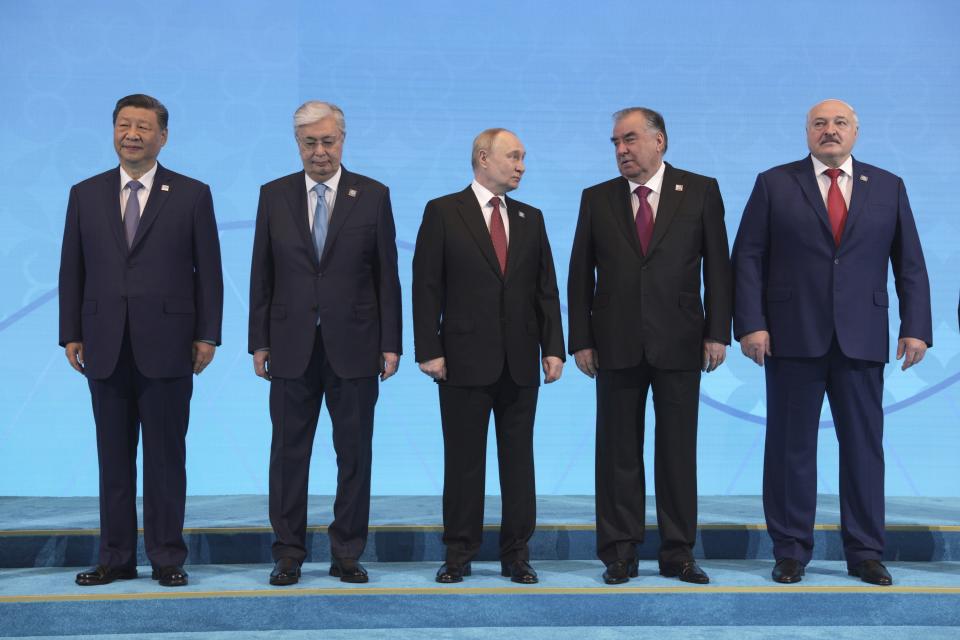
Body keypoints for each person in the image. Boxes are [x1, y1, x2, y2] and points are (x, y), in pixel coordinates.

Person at [732, 99, 932, 586]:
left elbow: (910, 264)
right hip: (791, 336)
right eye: (819, 123)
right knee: (789, 449)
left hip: (862, 338)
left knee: (864, 448)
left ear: (856, 132)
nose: (829, 130)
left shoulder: (888, 186)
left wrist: (916, 327)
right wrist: (750, 324)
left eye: (839, 123)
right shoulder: (774, 183)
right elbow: (748, 258)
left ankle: (864, 551)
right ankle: (790, 551)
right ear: (806, 132)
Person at [59, 94, 223, 588]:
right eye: (124, 125)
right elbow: (73, 269)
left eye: (143, 127)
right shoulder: (84, 193)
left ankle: (167, 556)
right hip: (103, 342)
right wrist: (71, 332)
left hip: (171, 344)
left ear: (162, 136)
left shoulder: (192, 193)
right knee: (112, 457)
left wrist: (208, 335)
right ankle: (114, 557)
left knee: (166, 458)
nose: (133, 134)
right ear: (113, 131)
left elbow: (209, 273)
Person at [567, 107, 731, 585]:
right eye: (616, 142)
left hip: (680, 341)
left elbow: (718, 268)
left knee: (677, 452)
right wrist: (581, 339)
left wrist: (717, 331)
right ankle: (620, 552)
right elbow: (581, 273)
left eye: (630, 139)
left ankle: (678, 552)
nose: (621, 150)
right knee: (617, 452)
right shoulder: (596, 198)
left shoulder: (700, 190)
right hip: (614, 343)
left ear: (659, 141)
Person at [249, 101, 402, 586]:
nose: (319, 151)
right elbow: (262, 273)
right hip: (290, 345)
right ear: (297, 144)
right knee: (287, 455)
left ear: (343, 140)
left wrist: (391, 343)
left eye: (327, 141)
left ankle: (347, 553)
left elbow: (387, 278)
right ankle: (288, 553)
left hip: (356, 346)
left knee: (354, 454)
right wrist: (258, 341)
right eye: (309, 142)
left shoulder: (373, 195)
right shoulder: (273, 195)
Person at [412, 128, 565, 584]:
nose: (521, 165)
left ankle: (517, 554)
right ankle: (458, 553)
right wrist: (429, 350)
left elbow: (546, 290)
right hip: (460, 361)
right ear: (483, 157)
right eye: (513, 156)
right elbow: (426, 286)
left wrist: (553, 348)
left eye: (523, 158)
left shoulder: (530, 217)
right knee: (463, 461)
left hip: (519, 361)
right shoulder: (443, 212)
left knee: (519, 462)